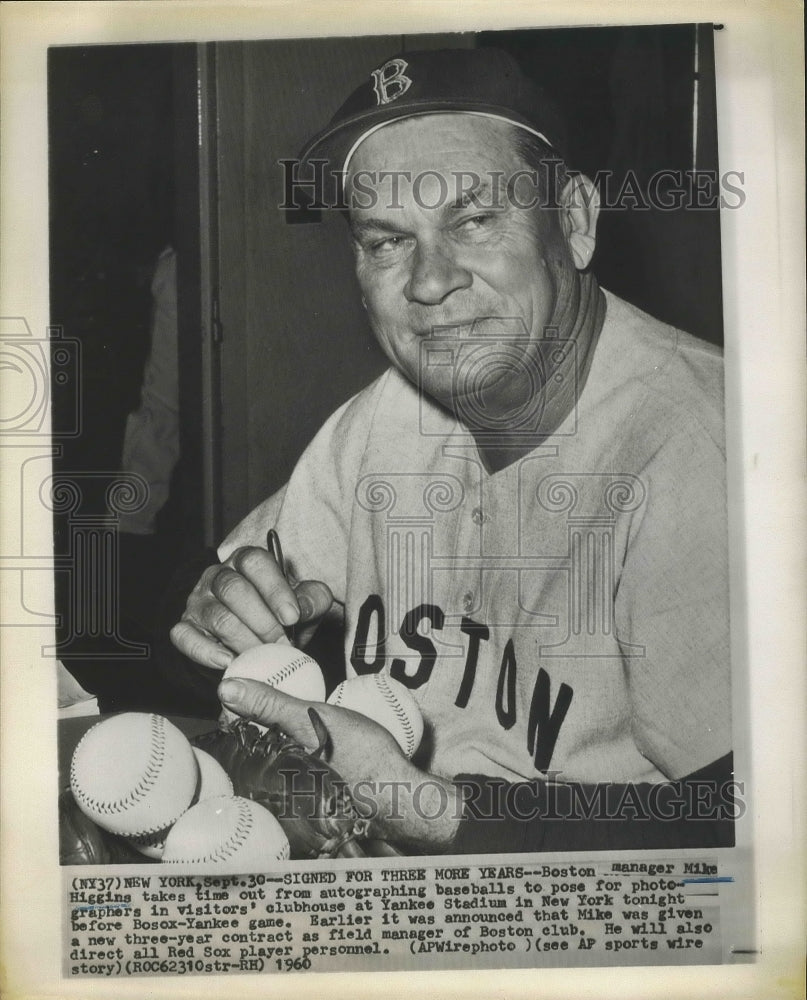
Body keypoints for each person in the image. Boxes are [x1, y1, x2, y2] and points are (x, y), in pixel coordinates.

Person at [169, 48, 734, 854]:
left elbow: (761, 831)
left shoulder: (698, 447)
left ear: (572, 221)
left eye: (472, 220)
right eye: (386, 242)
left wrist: (429, 808)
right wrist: (221, 617)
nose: (429, 283)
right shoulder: (391, 413)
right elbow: (231, 629)